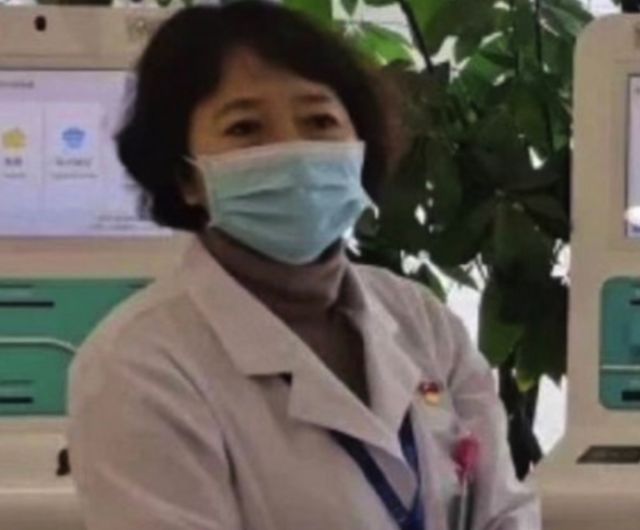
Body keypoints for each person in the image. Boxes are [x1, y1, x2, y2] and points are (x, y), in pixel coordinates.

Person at [67, 2, 541, 530]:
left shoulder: (420, 319)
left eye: (319, 121)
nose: (294, 148)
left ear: (359, 147)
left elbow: (503, 510)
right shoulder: (137, 365)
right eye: (245, 128)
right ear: (187, 178)